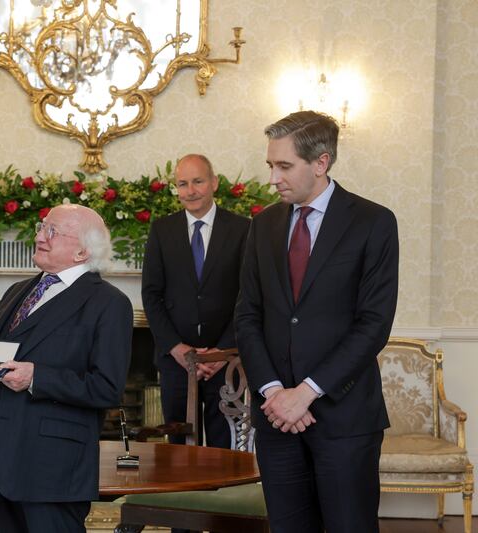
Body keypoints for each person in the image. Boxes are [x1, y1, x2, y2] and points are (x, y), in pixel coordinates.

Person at [235, 110, 399, 533]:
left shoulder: (373, 222)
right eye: (270, 165)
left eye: (284, 166)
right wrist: (274, 393)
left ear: (321, 163)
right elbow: (248, 316)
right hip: (276, 420)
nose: (273, 178)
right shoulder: (263, 224)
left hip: (344, 418)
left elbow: (373, 324)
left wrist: (305, 393)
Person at [0, 204, 132, 533]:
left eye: (52, 231)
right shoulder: (18, 291)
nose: (39, 237)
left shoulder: (109, 303)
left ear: (82, 251)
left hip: (53, 464)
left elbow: (106, 387)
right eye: (41, 227)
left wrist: (37, 378)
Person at [141, 154, 250, 451]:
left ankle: (222, 498)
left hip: (226, 360)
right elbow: (151, 294)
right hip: (176, 361)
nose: (190, 191)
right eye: (183, 184)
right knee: (178, 444)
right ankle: (182, 498)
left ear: (214, 182)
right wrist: (177, 349)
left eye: (198, 181)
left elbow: (248, 296)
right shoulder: (162, 230)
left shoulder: (243, 229)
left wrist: (220, 352)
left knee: (224, 444)